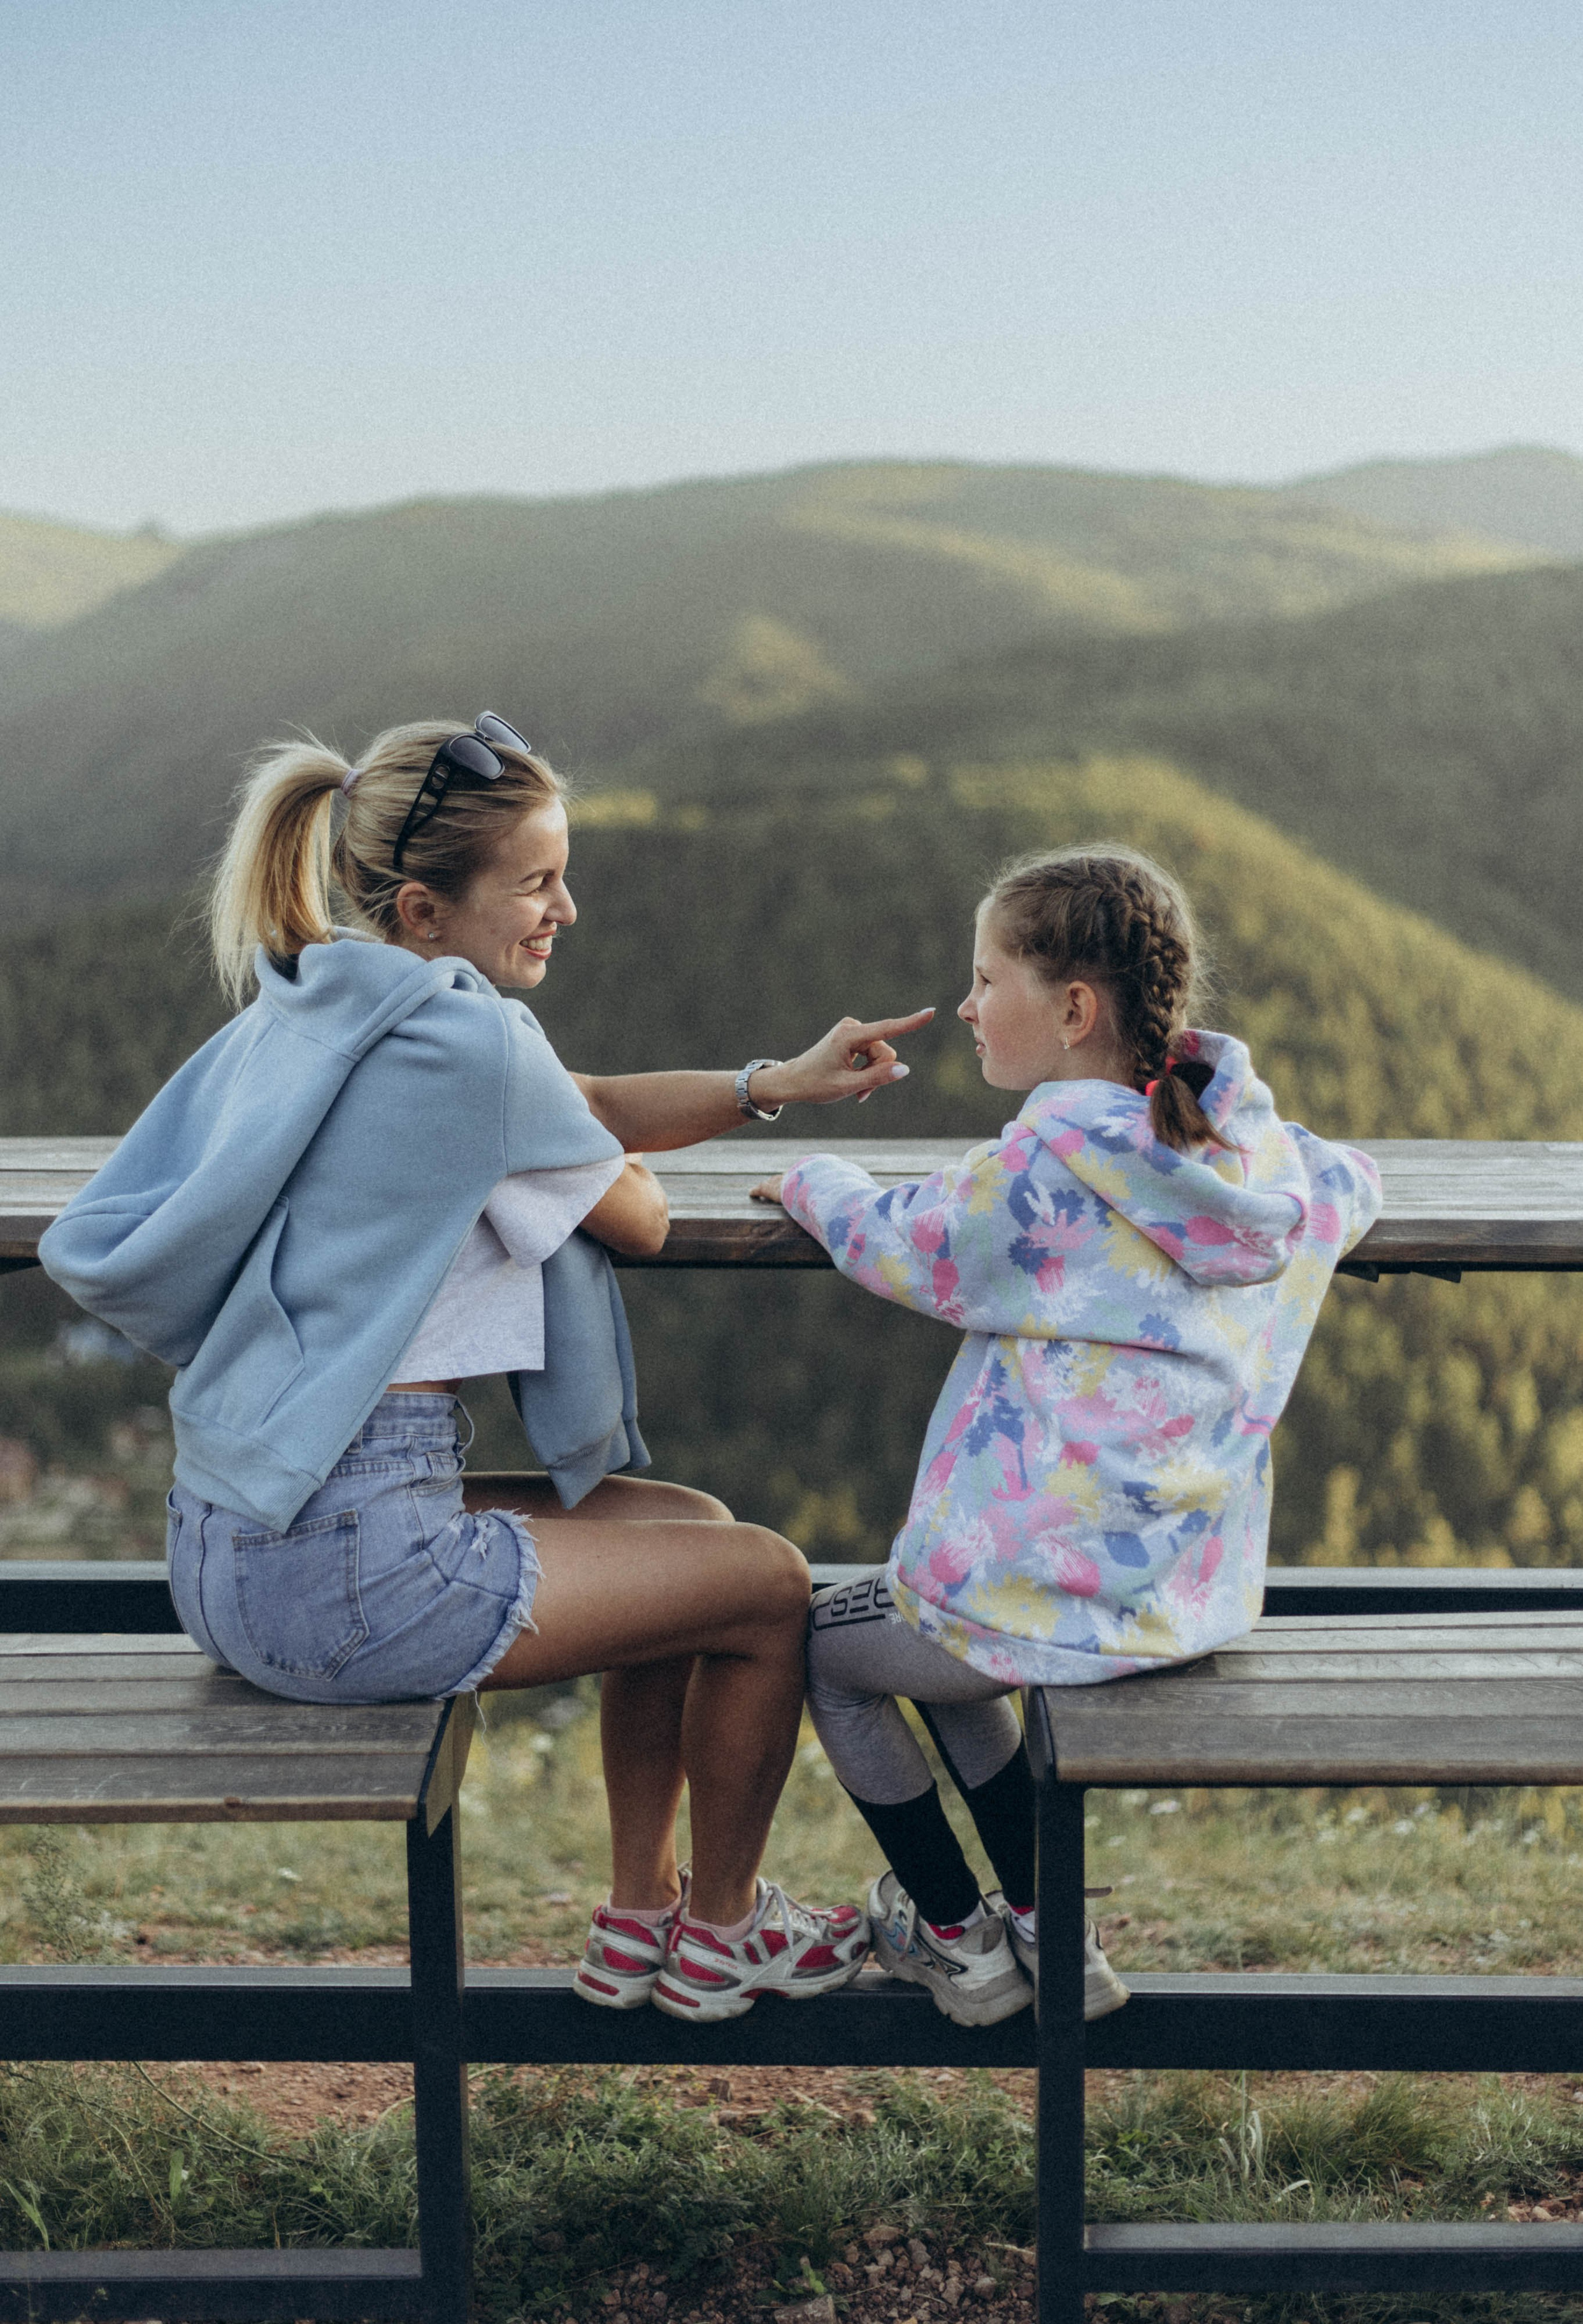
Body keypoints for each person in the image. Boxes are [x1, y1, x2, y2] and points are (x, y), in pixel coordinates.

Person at [40, 713, 933, 2025]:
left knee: (682, 1532)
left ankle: (642, 1915)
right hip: (345, 1574)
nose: (564, 906)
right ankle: (726, 1928)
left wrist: (767, 1084)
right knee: (766, 1586)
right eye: (535, 880)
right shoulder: (472, 1048)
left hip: (229, 1545)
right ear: (423, 903)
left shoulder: (330, 995)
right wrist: (559, 1147)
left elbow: (577, 1097)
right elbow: (624, 1207)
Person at [750, 843, 1382, 2028]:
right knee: (941, 1638)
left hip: (1046, 1590)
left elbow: (914, 1243)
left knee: (822, 1651)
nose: (971, 1006)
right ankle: (1051, 1925)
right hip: (1185, 1594)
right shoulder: (1254, 1155)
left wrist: (810, 1177)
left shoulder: (1051, 1161)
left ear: (1076, 1008)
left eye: (989, 980)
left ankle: (954, 1938)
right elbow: (1351, 1184)